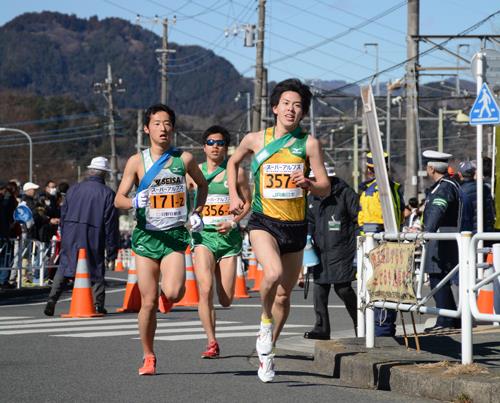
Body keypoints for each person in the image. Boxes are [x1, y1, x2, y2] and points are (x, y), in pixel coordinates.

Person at [227, 78, 330, 383]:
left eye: (297, 105)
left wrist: (309, 183)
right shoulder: (256, 139)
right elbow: (232, 163)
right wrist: (235, 195)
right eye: (286, 103)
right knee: (270, 274)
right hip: (263, 222)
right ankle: (263, 322)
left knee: (284, 296)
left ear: (303, 113)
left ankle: (268, 350)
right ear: (274, 108)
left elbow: (324, 186)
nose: (291, 109)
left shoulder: (309, 144)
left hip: (295, 226)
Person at [114, 103, 208, 376]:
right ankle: (148, 355)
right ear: (147, 128)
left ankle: (167, 295)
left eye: (167, 123)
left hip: (174, 237)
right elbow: (118, 199)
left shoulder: (185, 159)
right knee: (147, 301)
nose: (163, 128)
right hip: (146, 238)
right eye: (157, 123)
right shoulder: (136, 161)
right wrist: (133, 201)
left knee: (175, 292)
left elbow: (202, 185)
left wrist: (197, 212)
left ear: (173, 128)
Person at [188, 125, 251, 358]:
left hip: (228, 239)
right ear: (204, 147)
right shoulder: (193, 173)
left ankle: (217, 271)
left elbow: (248, 203)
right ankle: (211, 341)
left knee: (225, 299)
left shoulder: (238, 174)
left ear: (227, 148)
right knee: (205, 290)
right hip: (203, 237)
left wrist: (234, 222)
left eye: (221, 143)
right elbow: (178, 197)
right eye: (211, 143)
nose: (216, 147)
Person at [43, 157, 119, 317]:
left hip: (70, 233)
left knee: (65, 266)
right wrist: (112, 251)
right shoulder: (108, 194)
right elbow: (111, 225)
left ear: (90, 171)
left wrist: (65, 232)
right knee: (96, 267)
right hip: (93, 233)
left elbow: (63, 215)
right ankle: (99, 305)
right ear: (104, 174)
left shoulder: (73, 190)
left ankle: (52, 300)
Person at [303, 164, 359, 340]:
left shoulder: (345, 194)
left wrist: (357, 243)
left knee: (343, 289)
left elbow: (359, 218)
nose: (311, 184)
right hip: (320, 252)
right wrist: (308, 237)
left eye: (314, 180)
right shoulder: (312, 198)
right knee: (319, 290)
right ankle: (321, 329)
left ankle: (360, 321)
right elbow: (309, 222)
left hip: (343, 250)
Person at [422, 150, 471, 333]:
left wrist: (427, 231)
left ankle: (446, 319)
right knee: (442, 278)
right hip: (447, 237)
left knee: (437, 277)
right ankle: (450, 317)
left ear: (432, 168)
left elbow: (437, 211)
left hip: (442, 239)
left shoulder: (443, 187)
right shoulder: (451, 184)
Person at [358, 152, 405, 337]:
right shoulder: (392, 188)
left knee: (379, 289)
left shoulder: (374, 191)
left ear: (369, 169)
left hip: (376, 246)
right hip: (387, 244)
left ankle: (381, 331)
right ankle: (383, 329)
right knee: (386, 289)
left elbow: (370, 222)